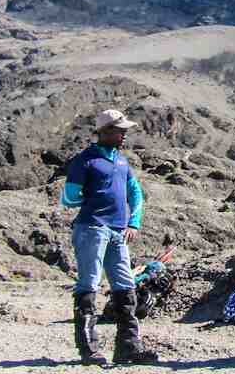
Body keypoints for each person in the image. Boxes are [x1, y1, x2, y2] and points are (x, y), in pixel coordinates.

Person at [60, 109, 158, 365]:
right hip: (91, 229)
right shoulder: (85, 160)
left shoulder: (122, 161)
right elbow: (68, 198)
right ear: (105, 132)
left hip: (117, 232)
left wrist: (133, 222)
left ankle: (128, 346)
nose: (124, 134)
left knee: (125, 286)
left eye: (125, 129)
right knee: (88, 285)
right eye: (119, 130)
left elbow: (135, 193)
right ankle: (89, 349)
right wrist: (93, 201)